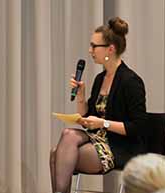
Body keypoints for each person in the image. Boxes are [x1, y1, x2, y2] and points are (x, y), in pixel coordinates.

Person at [50, 17, 149, 193]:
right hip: (99, 139)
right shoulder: (99, 79)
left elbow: (138, 127)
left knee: (57, 155)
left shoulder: (131, 81)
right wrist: (81, 96)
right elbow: (88, 117)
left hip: (122, 146)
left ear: (110, 49)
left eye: (94, 46)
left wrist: (103, 123)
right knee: (67, 135)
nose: (90, 50)